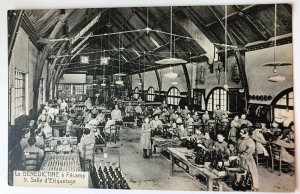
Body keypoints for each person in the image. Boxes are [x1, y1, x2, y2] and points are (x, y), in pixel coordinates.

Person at [237, 126, 259, 191]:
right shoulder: (241, 139)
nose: (240, 133)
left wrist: (239, 156)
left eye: (242, 132)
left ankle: (251, 186)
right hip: (241, 158)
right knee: (240, 173)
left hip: (247, 159)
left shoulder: (250, 142)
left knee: (250, 173)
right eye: (240, 132)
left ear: (247, 133)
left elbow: (248, 153)